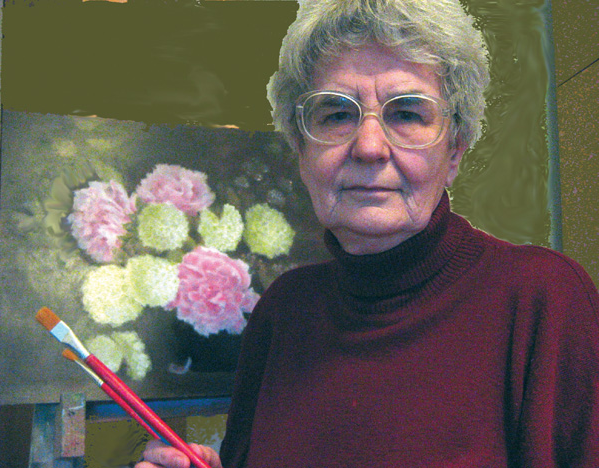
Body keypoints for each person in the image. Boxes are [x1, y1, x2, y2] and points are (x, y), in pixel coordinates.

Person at [138, 0, 599, 466]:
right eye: (337, 115)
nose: (369, 147)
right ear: (301, 150)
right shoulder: (283, 313)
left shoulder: (543, 299)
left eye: (407, 114)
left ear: (455, 151)